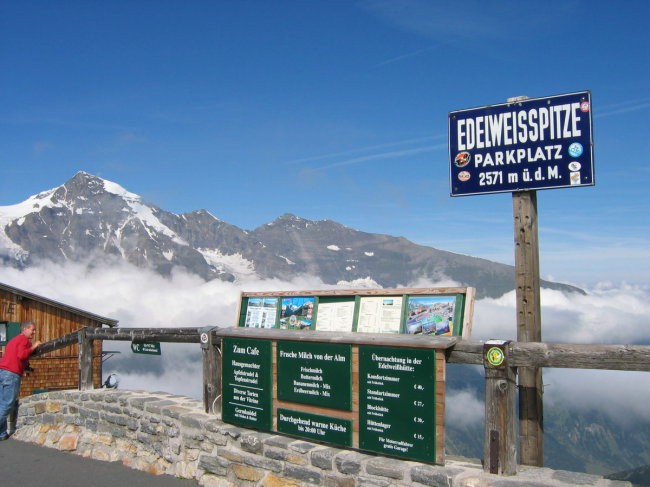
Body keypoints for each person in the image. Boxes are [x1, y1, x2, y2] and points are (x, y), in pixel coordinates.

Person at [0, 320, 41, 440]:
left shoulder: (12, 341)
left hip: (2, 371)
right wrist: (34, 346)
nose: (34, 332)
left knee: (2, 403)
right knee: (8, 404)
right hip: (11, 374)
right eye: (32, 329)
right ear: (25, 329)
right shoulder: (24, 340)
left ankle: (2, 433)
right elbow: (21, 355)